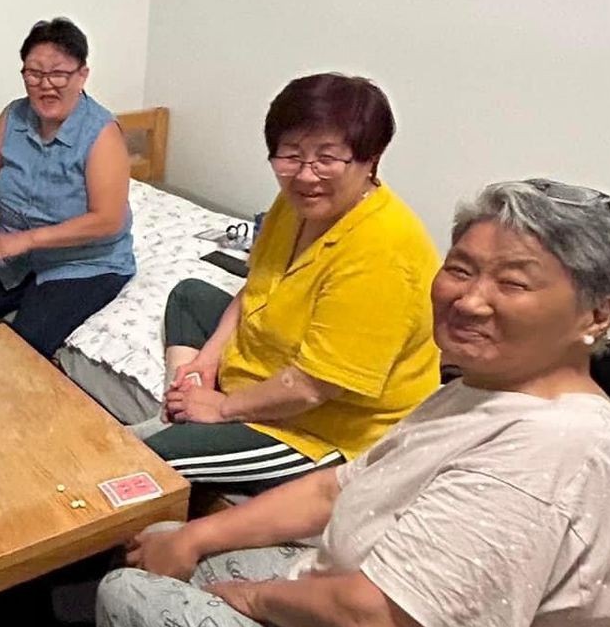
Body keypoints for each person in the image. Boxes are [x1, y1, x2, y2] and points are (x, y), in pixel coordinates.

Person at [0, 180, 610, 627]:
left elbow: (382, 622)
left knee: (126, 596)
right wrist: (196, 536)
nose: (469, 297)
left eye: (513, 282)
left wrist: (252, 600)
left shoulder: (550, 455)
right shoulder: (482, 389)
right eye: (461, 267)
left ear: (598, 314)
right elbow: (340, 488)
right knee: (197, 556)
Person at [144, 73, 440, 493]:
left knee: (153, 461)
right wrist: (206, 361)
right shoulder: (293, 204)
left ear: (370, 158)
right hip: (270, 365)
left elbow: (311, 387)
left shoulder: (383, 251)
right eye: (290, 155)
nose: (305, 176)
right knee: (190, 294)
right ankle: (183, 394)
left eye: (326, 159)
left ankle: (191, 415)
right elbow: (257, 286)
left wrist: (223, 408)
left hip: (322, 428)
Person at [0, 18, 135, 359]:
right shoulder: (14, 116)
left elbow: (108, 220)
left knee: (25, 346)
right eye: (34, 74)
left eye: (58, 74)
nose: (45, 85)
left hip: (85, 263)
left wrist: (26, 240)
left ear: (82, 75)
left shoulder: (101, 133)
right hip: (9, 252)